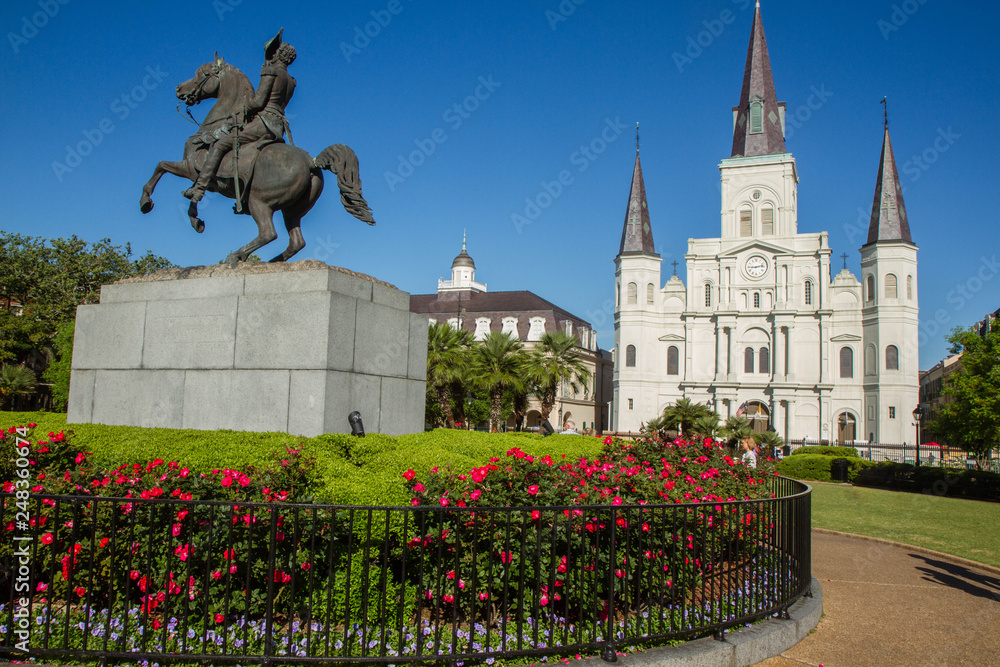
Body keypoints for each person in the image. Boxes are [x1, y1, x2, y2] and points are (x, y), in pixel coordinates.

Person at [183, 30, 297, 204]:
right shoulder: (291, 80)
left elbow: (259, 102)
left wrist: (244, 108)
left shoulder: (270, 71)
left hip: (262, 123)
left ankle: (199, 189)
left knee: (221, 145)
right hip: (279, 127)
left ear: (277, 55)